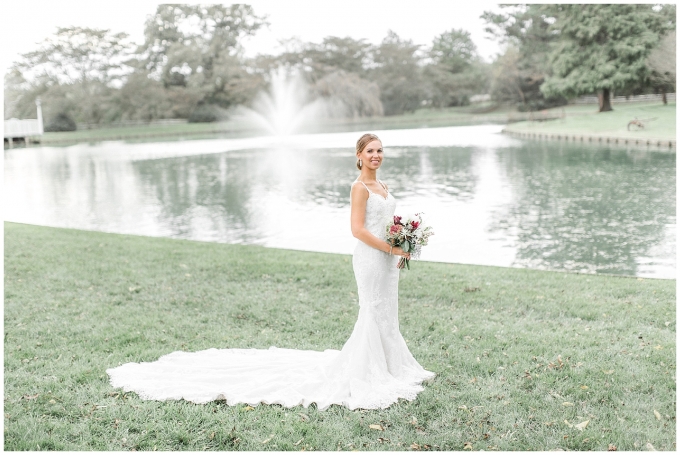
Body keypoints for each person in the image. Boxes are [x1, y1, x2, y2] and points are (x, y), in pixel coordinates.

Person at [106, 133, 434, 410]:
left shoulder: (383, 185)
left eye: (379, 151)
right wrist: (392, 247)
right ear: (359, 156)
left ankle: (392, 366)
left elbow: (387, 222)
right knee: (372, 311)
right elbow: (358, 231)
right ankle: (368, 372)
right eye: (370, 151)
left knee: (388, 311)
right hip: (370, 257)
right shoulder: (359, 188)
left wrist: (402, 239)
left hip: (388, 259)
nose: (376, 156)